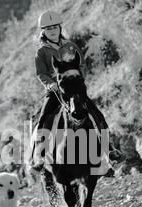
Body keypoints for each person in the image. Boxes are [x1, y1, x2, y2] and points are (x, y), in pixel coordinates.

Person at [30, 9, 107, 173]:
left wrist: (78, 79)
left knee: (97, 114)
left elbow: (83, 66)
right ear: (44, 31)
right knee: (43, 119)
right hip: (55, 92)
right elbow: (40, 73)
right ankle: (40, 158)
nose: (52, 31)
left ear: (59, 28)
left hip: (75, 89)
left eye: (55, 28)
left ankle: (110, 151)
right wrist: (50, 84)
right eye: (48, 29)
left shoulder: (71, 46)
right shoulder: (41, 51)